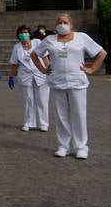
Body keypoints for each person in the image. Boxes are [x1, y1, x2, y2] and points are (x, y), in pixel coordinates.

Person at [31, 12, 106, 159]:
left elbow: (101, 53)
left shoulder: (81, 37)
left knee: (78, 114)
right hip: (57, 82)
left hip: (77, 82)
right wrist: (42, 69)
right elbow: (35, 54)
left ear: (71, 24)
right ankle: (63, 146)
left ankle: (81, 147)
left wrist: (91, 69)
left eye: (65, 22)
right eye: (59, 22)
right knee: (60, 115)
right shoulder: (50, 39)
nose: (62, 24)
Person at [8, 25, 50, 132]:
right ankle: (28, 123)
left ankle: (43, 123)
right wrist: (11, 76)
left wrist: (50, 71)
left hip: (41, 74)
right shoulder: (17, 47)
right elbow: (14, 64)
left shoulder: (37, 42)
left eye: (25, 32)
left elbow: (45, 58)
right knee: (28, 99)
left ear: (30, 33)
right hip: (25, 76)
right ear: (18, 35)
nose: (23, 34)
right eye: (21, 33)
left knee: (42, 100)